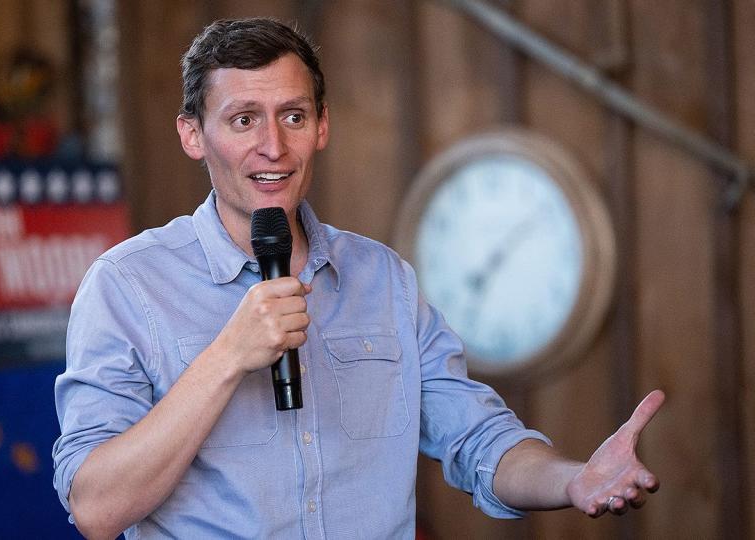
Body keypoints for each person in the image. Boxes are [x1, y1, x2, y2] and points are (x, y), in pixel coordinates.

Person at [52, 17, 665, 539]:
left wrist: (573, 478)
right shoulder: (126, 286)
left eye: (291, 116)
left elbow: (479, 440)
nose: (273, 146)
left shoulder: (385, 281)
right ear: (193, 135)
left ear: (322, 126)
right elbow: (96, 508)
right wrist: (227, 357)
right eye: (243, 120)